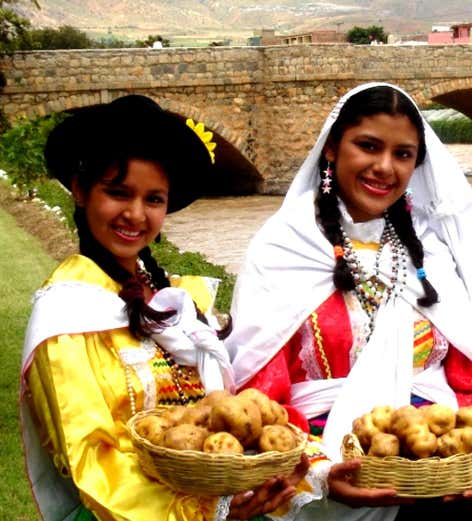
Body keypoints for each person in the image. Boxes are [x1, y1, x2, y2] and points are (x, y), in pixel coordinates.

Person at [227, 82, 472, 521]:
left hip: (440, 475)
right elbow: (258, 395)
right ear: (332, 149)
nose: (384, 167)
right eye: (368, 146)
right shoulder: (284, 248)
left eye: (403, 154)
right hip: (322, 473)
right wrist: (320, 471)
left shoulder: (429, 251)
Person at [20, 94, 305, 521]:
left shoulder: (172, 297)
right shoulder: (66, 317)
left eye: (154, 199)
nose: (136, 215)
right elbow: (93, 461)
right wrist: (209, 511)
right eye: (118, 193)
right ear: (80, 191)